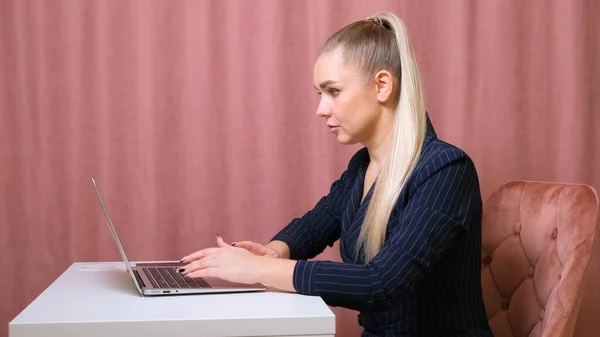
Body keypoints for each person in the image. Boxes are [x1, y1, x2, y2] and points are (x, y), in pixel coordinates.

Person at [180, 11, 493, 337]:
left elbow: (380, 282)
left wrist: (259, 269)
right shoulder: (362, 166)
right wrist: (273, 251)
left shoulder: (447, 170)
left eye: (333, 91)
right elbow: (314, 226)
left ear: (382, 86)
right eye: (320, 94)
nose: (321, 109)